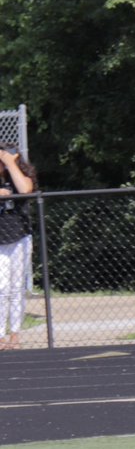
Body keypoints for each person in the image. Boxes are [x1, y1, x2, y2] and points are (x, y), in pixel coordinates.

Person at [0, 147, 37, 350]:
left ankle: (15, 333)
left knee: (16, 288)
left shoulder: (21, 175)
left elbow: (25, 189)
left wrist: (11, 164)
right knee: (1, 288)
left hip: (19, 237)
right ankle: (0, 335)